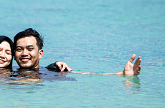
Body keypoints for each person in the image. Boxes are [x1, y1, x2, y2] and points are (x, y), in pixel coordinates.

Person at [13, 28, 141, 75]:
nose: (24, 53)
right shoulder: (7, 72)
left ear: (40, 53)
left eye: (30, 49)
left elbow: (87, 74)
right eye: (19, 49)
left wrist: (121, 74)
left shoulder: (55, 70)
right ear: (14, 54)